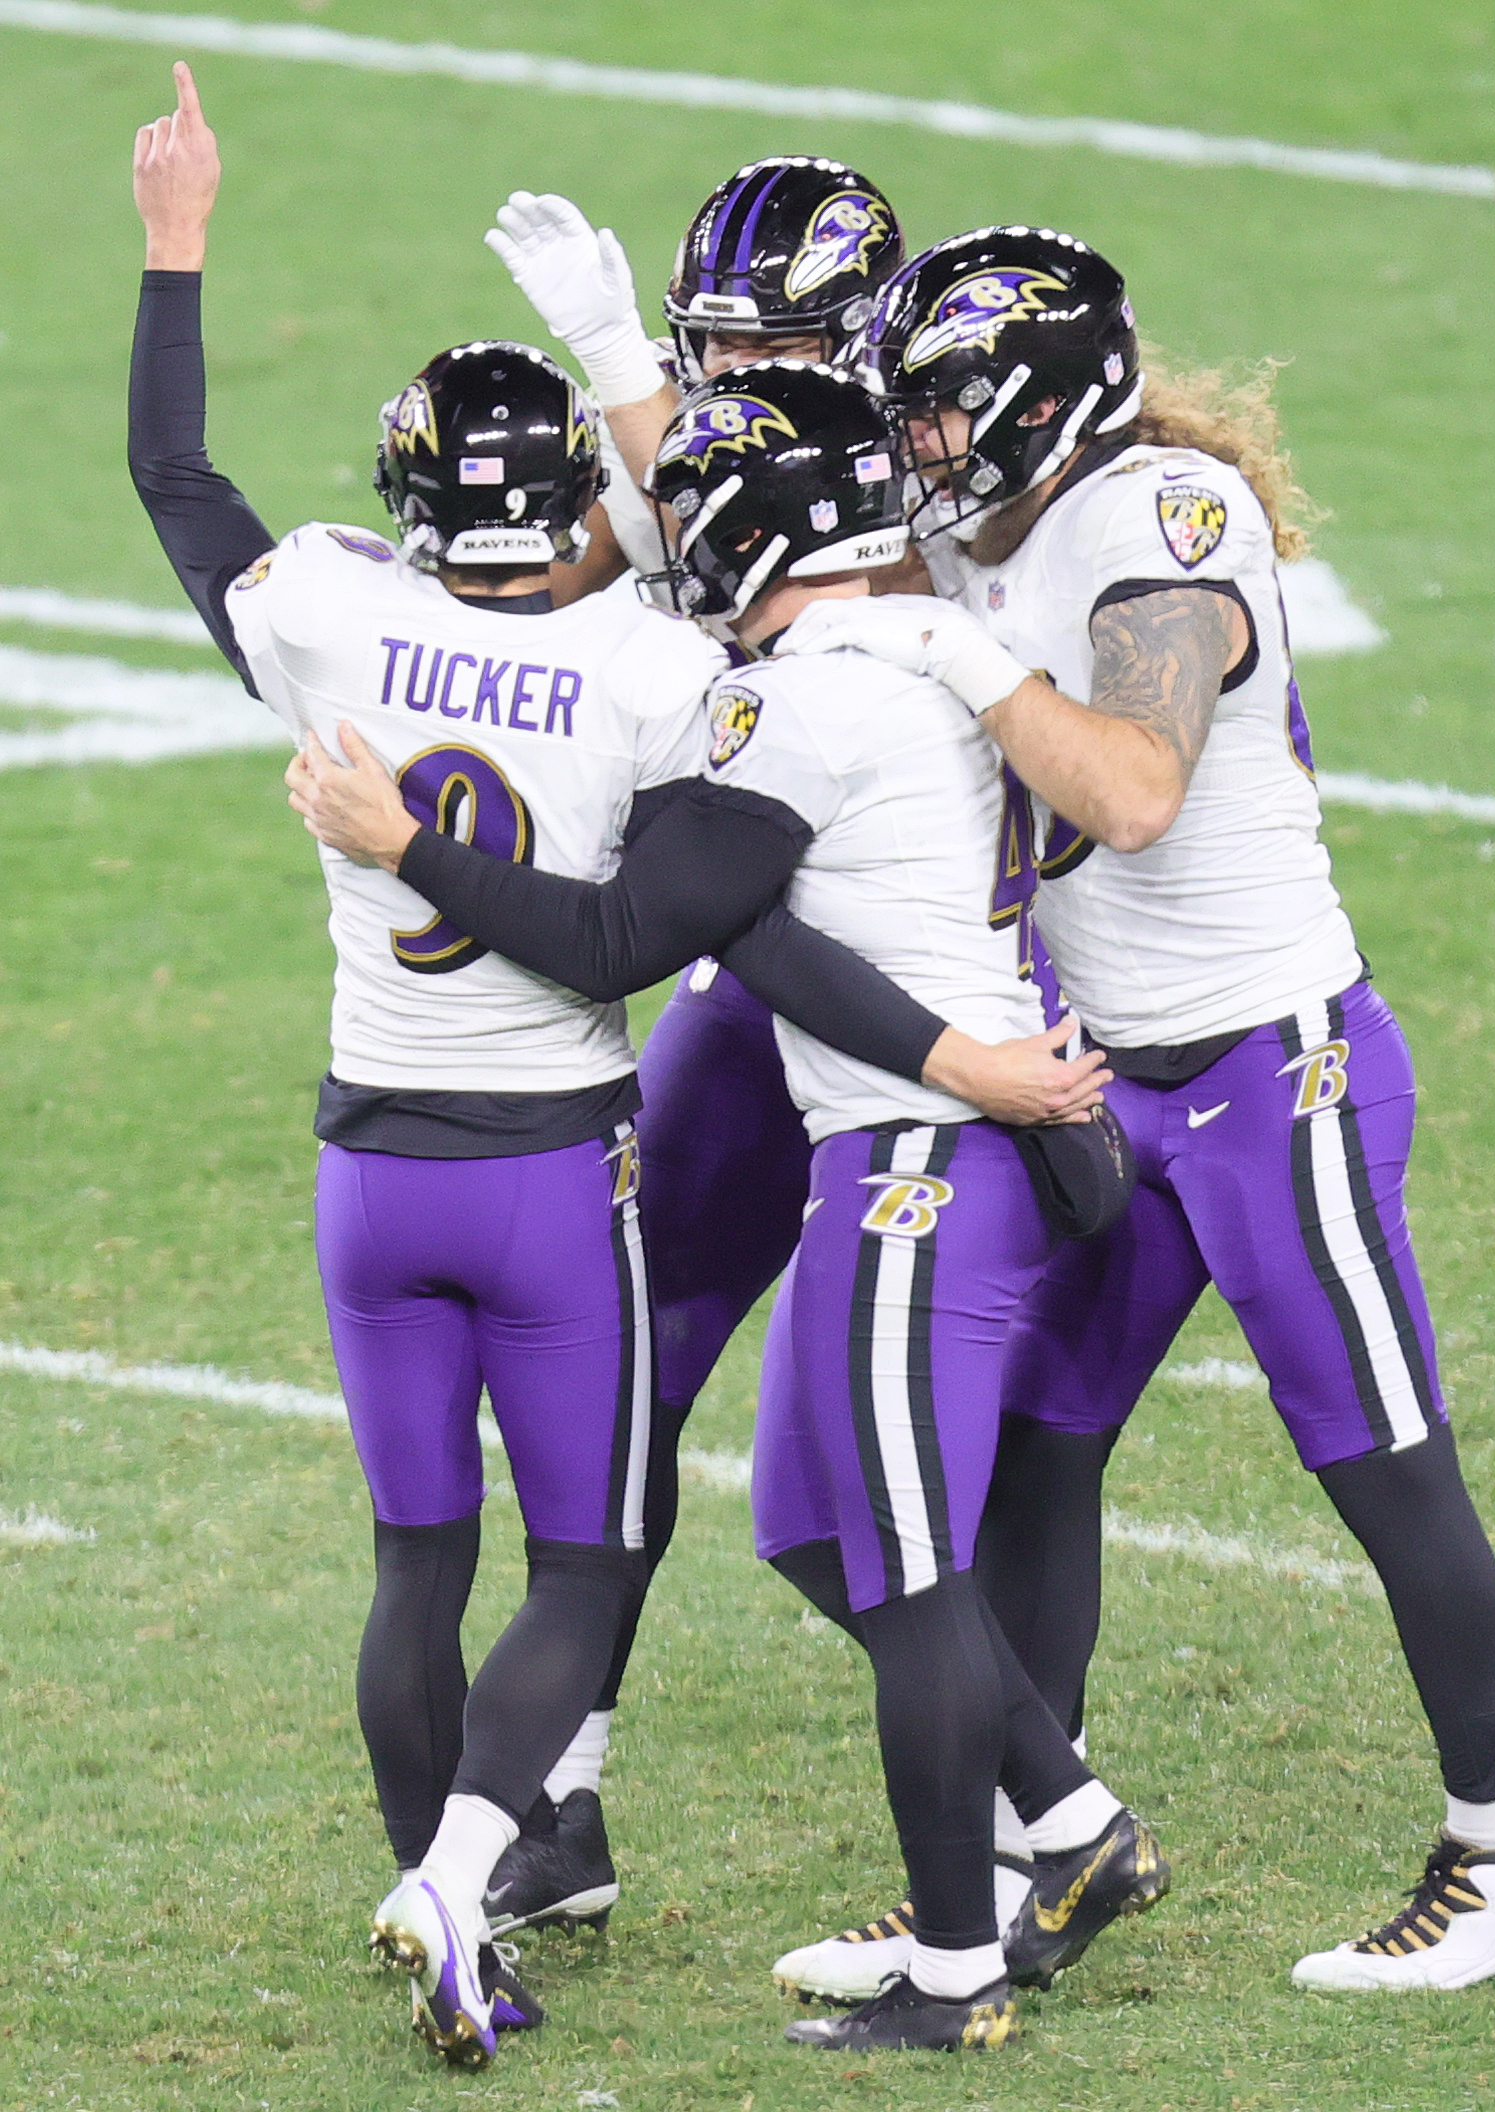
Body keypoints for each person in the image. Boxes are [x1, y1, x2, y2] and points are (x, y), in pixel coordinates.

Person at [127, 69, 1088, 2067]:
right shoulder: (657, 675)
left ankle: (466, 1881)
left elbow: (182, 484)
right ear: (582, 503)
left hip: (364, 1163)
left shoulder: (329, 621)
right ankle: (503, 1859)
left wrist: (174, 250)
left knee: (418, 1564)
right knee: (588, 1553)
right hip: (565, 1165)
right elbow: (669, 909)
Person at [286, 360, 1166, 2052]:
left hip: (923, 1165)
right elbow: (756, 933)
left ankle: (958, 1971)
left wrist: (406, 843)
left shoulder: (808, 699)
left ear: (767, 519)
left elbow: (632, 940)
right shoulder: (886, 657)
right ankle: (1071, 1825)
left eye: (699, 503)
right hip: (904, 1144)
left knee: (906, 1578)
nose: (671, 532)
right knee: (814, 1527)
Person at [776, 223, 1495, 1994]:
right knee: (1039, 1458)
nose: (912, 447)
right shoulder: (975, 529)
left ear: (1038, 400)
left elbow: (1133, 791)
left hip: (1267, 1062)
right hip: (1111, 1078)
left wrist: (961, 659)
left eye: (931, 412)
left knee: (1380, 1460)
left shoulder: (1158, 521)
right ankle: (1020, 1865)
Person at [475, 155, 911, 1934]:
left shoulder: (939, 480)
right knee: (625, 1357)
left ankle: (1035, 1816)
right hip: (757, 975)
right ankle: (559, 1793)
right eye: (704, 342)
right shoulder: (731, 459)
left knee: (955, 1452)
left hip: (938, 1017)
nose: (729, 374)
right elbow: (608, 556)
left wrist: (604, 352)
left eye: (772, 342)